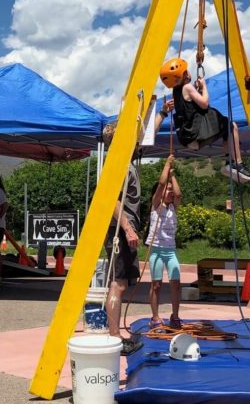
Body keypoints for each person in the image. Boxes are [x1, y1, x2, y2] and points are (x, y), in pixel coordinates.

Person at [159, 57, 250, 183]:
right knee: (231, 126)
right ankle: (237, 163)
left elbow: (191, 107)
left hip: (188, 137)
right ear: (184, 74)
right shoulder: (187, 87)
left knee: (226, 130)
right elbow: (204, 103)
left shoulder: (176, 92)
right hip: (196, 133)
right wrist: (204, 87)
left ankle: (230, 162)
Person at [101, 121, 142, 356]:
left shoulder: (126, 161)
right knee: (117, 283)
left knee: (122, 283)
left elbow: (147, 136)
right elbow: (112, 200)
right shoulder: (117, 164)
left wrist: (163, 114)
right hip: (118, 231)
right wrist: (127, 229)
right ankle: (115, 337)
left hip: (124, 230)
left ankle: (116, 336)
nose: (135, 139)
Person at [146, 155, 182, 329]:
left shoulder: (173, 207)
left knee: (175, 282)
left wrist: (172, 176)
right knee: (156, 284)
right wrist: (166, 164)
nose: (169, 192)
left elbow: (179, 193)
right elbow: (160, 185)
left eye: (170, 190)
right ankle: (155, 316)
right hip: (157, 249)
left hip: (170, 250)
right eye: (167, 190)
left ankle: (175, 316)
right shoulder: (156, 205)